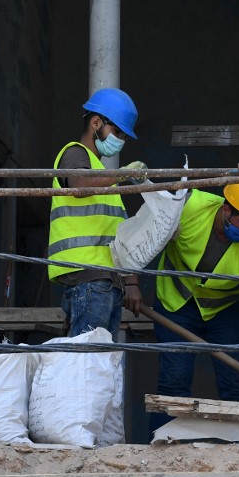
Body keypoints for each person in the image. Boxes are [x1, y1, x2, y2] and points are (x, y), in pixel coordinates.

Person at [148, 183, 239, 435]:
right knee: (174, 380)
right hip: (177, 302)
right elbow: (144, 238)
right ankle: (162, 451)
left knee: (237, 384)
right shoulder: (188, 206)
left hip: (226, 311)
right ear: (226, 210)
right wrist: (131, 283)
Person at [49, 87, 145, 337]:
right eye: (118, 132)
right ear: (95, 123)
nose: (120, 140)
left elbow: (120, 233)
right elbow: (79, 186)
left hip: (105, 281)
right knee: (87, 361)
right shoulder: (74, 153)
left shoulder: (102, 175)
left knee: (99, 363)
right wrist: (122, 174)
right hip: (87, 278)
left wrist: (131, 281)